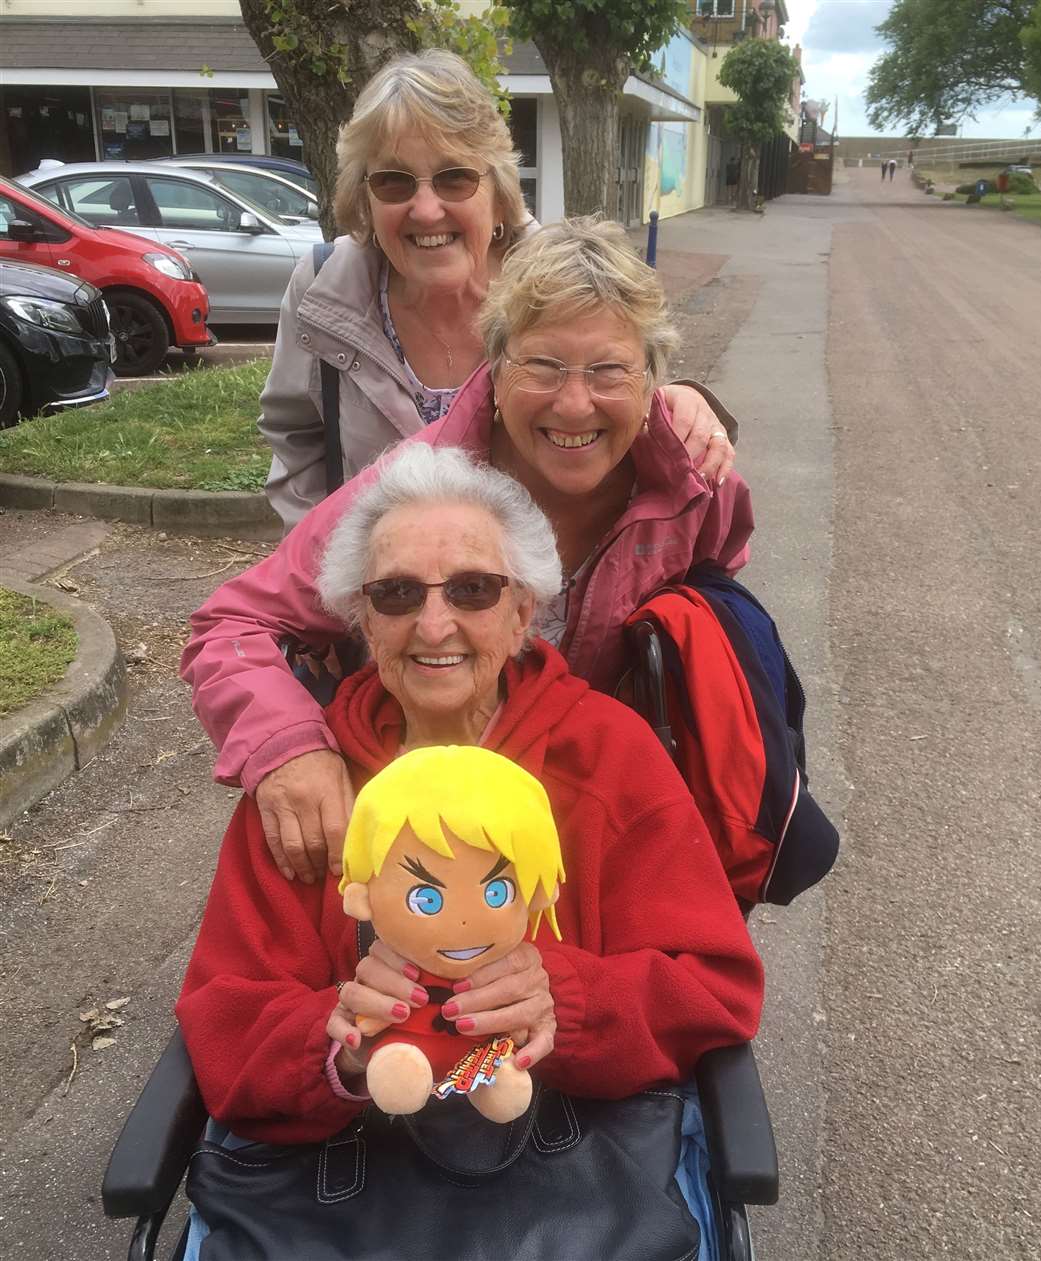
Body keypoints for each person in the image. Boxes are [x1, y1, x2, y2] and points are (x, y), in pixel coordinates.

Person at [176, 441, 762, 1148]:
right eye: (396, 593)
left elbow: (712, 984)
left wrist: (567, 1001)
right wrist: (340, 1041)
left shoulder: (610, 754)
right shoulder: (310, 781)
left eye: (473, 588)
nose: (433, 625)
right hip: (349, 1171)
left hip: (574, 1161)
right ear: (363, 621)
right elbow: (225, 1015)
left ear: (522, 612)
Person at [182, 216, 755, 886]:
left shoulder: (697, 487)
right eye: (541, 364)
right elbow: (231, 625)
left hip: (602, 831)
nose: (574, 404)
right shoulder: (414, 494)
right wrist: (287, 746)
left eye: (608, 370)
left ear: (652, 377)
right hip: (430, 841)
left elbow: (712, 617)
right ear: (495, 362)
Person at [259, 48, 736, 532]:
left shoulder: (562, 280)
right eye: (393, 181)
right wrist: (327, 566)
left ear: (499, 186)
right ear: (364, 193)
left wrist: (679, 400)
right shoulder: (324, 288)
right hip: (381, 593)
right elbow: (295, 436)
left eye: (455, 178)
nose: (425, 210)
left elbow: (621, 400)